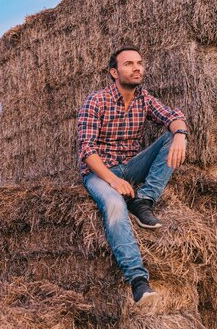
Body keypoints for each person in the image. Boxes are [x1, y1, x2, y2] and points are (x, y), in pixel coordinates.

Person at [77, 46, 188, 306]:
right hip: (100, 172)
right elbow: (86, 151)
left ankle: (144, 200)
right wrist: (113, 182)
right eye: (129, 64)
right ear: (114, 72)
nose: (137, 68)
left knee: (173, 134)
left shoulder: (144, 99)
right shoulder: (97, 101)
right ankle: (138, 281)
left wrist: (181, 135)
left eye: (139, 63)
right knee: (115, 205)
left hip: (130, 165)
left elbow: (173, 116)